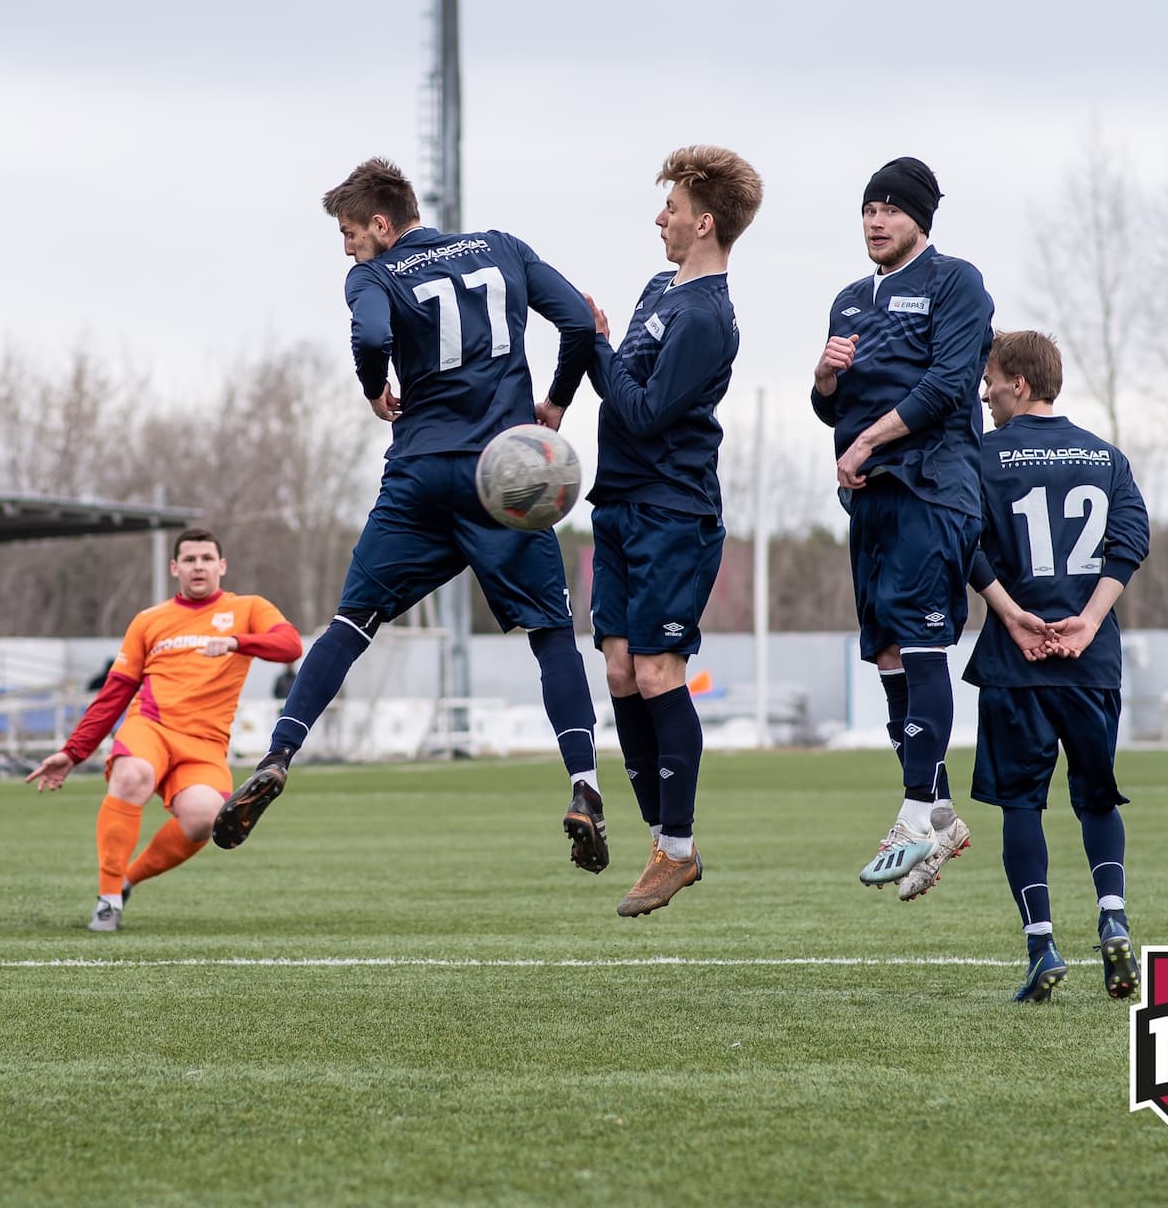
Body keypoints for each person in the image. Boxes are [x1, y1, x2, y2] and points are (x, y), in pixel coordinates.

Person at [209, 157, 606, 874]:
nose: (347, 245)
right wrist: (555, 404)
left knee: (351, 624)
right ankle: (584, 786)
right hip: (504, 479)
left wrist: (374, 387)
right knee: (551, 634)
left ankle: (278, 755)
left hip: (421, 477)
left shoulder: (376, 276)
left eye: (350, 231)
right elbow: (578, 319)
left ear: (383, 225)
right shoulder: (503, 247)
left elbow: (368, 338)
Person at [569, 145, 762, 917]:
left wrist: (598, 349)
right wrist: (602, 352)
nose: (661, 218)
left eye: (672, 209)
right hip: (617, 505)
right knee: (618, 673)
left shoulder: (709, 318)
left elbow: (644, 411)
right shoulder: (660, 287)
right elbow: (624, 388)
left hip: (673, 514)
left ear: (703, 221)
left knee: (656, 675)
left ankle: (675, 848)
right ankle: (663, 841)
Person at [812, 156, 995, 901]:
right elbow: (833, 409)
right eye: (867, 208)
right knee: (888, 651)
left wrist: (865, 443)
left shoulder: (956, 281)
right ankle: (941, 810)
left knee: (924, 644)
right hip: (873, 499)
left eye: (890, 208)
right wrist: (825, 382)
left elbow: (949, 384)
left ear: (920, 217)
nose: (876, 219)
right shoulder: (850, 300)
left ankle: (915, 815)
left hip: (932, 485)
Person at [964, 331, 1150, 1002]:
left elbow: (963, 539)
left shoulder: (982, 456)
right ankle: (1112, 916)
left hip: (1019, 662)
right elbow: (1131, 539)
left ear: (1017, 381)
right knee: (1097, 796)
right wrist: (1091, 619)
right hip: (1091, 661)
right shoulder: (1105, 456)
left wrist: (1012, 614)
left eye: (989, 380)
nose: (983, 393)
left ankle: (1042, 945)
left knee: (1022, 803)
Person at [25, 529, 301, 932]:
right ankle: (106, 901)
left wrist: (236, 643)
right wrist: (73, 751)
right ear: (175, 568)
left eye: (207, 558)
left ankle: (126, 881)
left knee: (204, 820)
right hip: (150, 727)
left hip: (205, 743)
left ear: (222, 566)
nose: (199, 566)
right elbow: (115, 692)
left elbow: (290, 645)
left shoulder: (248, 608)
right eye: (189, 560)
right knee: (132, 774)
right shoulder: (149, 621)